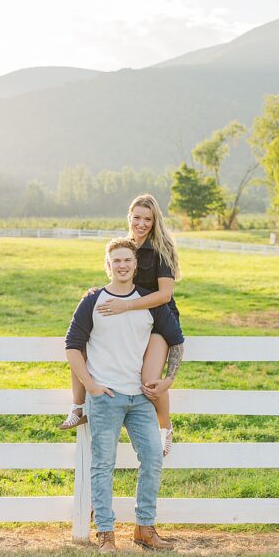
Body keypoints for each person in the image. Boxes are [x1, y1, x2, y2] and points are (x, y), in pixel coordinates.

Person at [64, 237, 185, 552]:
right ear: (108, 264)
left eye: (127, 260)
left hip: (140, 399)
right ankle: (106, 534)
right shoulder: (93, 301)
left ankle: (144, 528)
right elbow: (72, 347)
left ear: (135, 265)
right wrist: (90, 386)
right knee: (102, 465)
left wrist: (169, 379)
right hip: (105, 397)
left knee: (153, 459)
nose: (122, 265)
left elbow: (177, 340)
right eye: (115, 260)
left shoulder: (149, 304)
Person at [60, 194, 182, 457]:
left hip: (157, 319)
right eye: (137, 217)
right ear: (129, 217)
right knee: (82, 343)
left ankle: (165, 428)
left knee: (150, 380)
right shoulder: (127, 247)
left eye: (147, 219)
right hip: (129, 316)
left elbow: (164, 295)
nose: (141, 223)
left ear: (154, 221)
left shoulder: (162, 250)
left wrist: (125, 305)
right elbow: (119, 277)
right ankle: (78, 407)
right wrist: (98, 294)